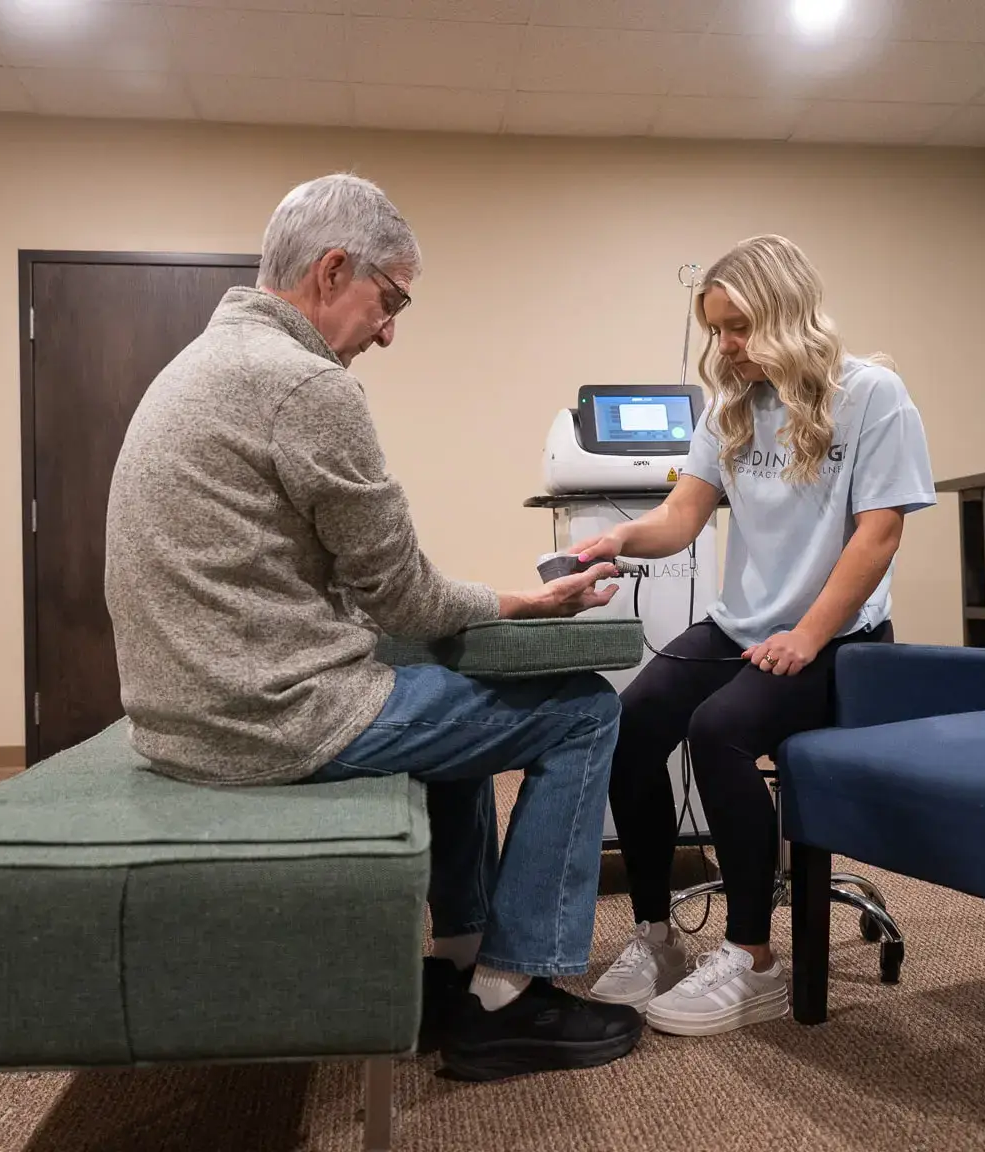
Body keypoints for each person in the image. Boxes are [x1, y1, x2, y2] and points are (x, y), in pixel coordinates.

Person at [103, 172, 644, 1082]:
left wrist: (486, 606)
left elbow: (370, 590)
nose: (391, 329)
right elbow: (403, 600)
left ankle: (460, 960)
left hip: (185, 714)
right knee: (584, 708)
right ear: (332, 270)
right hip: (268, 719)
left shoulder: (201, 362)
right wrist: (528, 601)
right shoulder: (305, 384)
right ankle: (512, 998)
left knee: (463, 705)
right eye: (390, 300)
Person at [574, 234, 936, 1036]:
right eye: (715, 330)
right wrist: (615, 543)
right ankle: (656, 938)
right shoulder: (731, 407)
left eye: (738, 326)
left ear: (787, 311)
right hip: (744, 627)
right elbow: (680, 516)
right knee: (628, 727)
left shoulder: (873, 395)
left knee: (720, 730)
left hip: (842, 640)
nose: (725, 348)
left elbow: (878, 535)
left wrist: (809, 635)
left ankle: (753, 959)